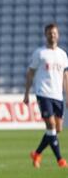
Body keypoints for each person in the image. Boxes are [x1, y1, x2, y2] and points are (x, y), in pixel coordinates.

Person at [24, 23, 68, 169]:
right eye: (49, 33)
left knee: (57, 129)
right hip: (43, 93)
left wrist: (67, 95)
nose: (52, 35)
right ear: (45, 35)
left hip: (58, 95)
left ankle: (36, 153)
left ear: (58, 35)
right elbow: (30, 72)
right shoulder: (40, 53)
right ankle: (60, 159)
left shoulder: (62, 54)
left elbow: (65, 76)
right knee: (51, 126)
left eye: (54, 33)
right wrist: (26, 93)